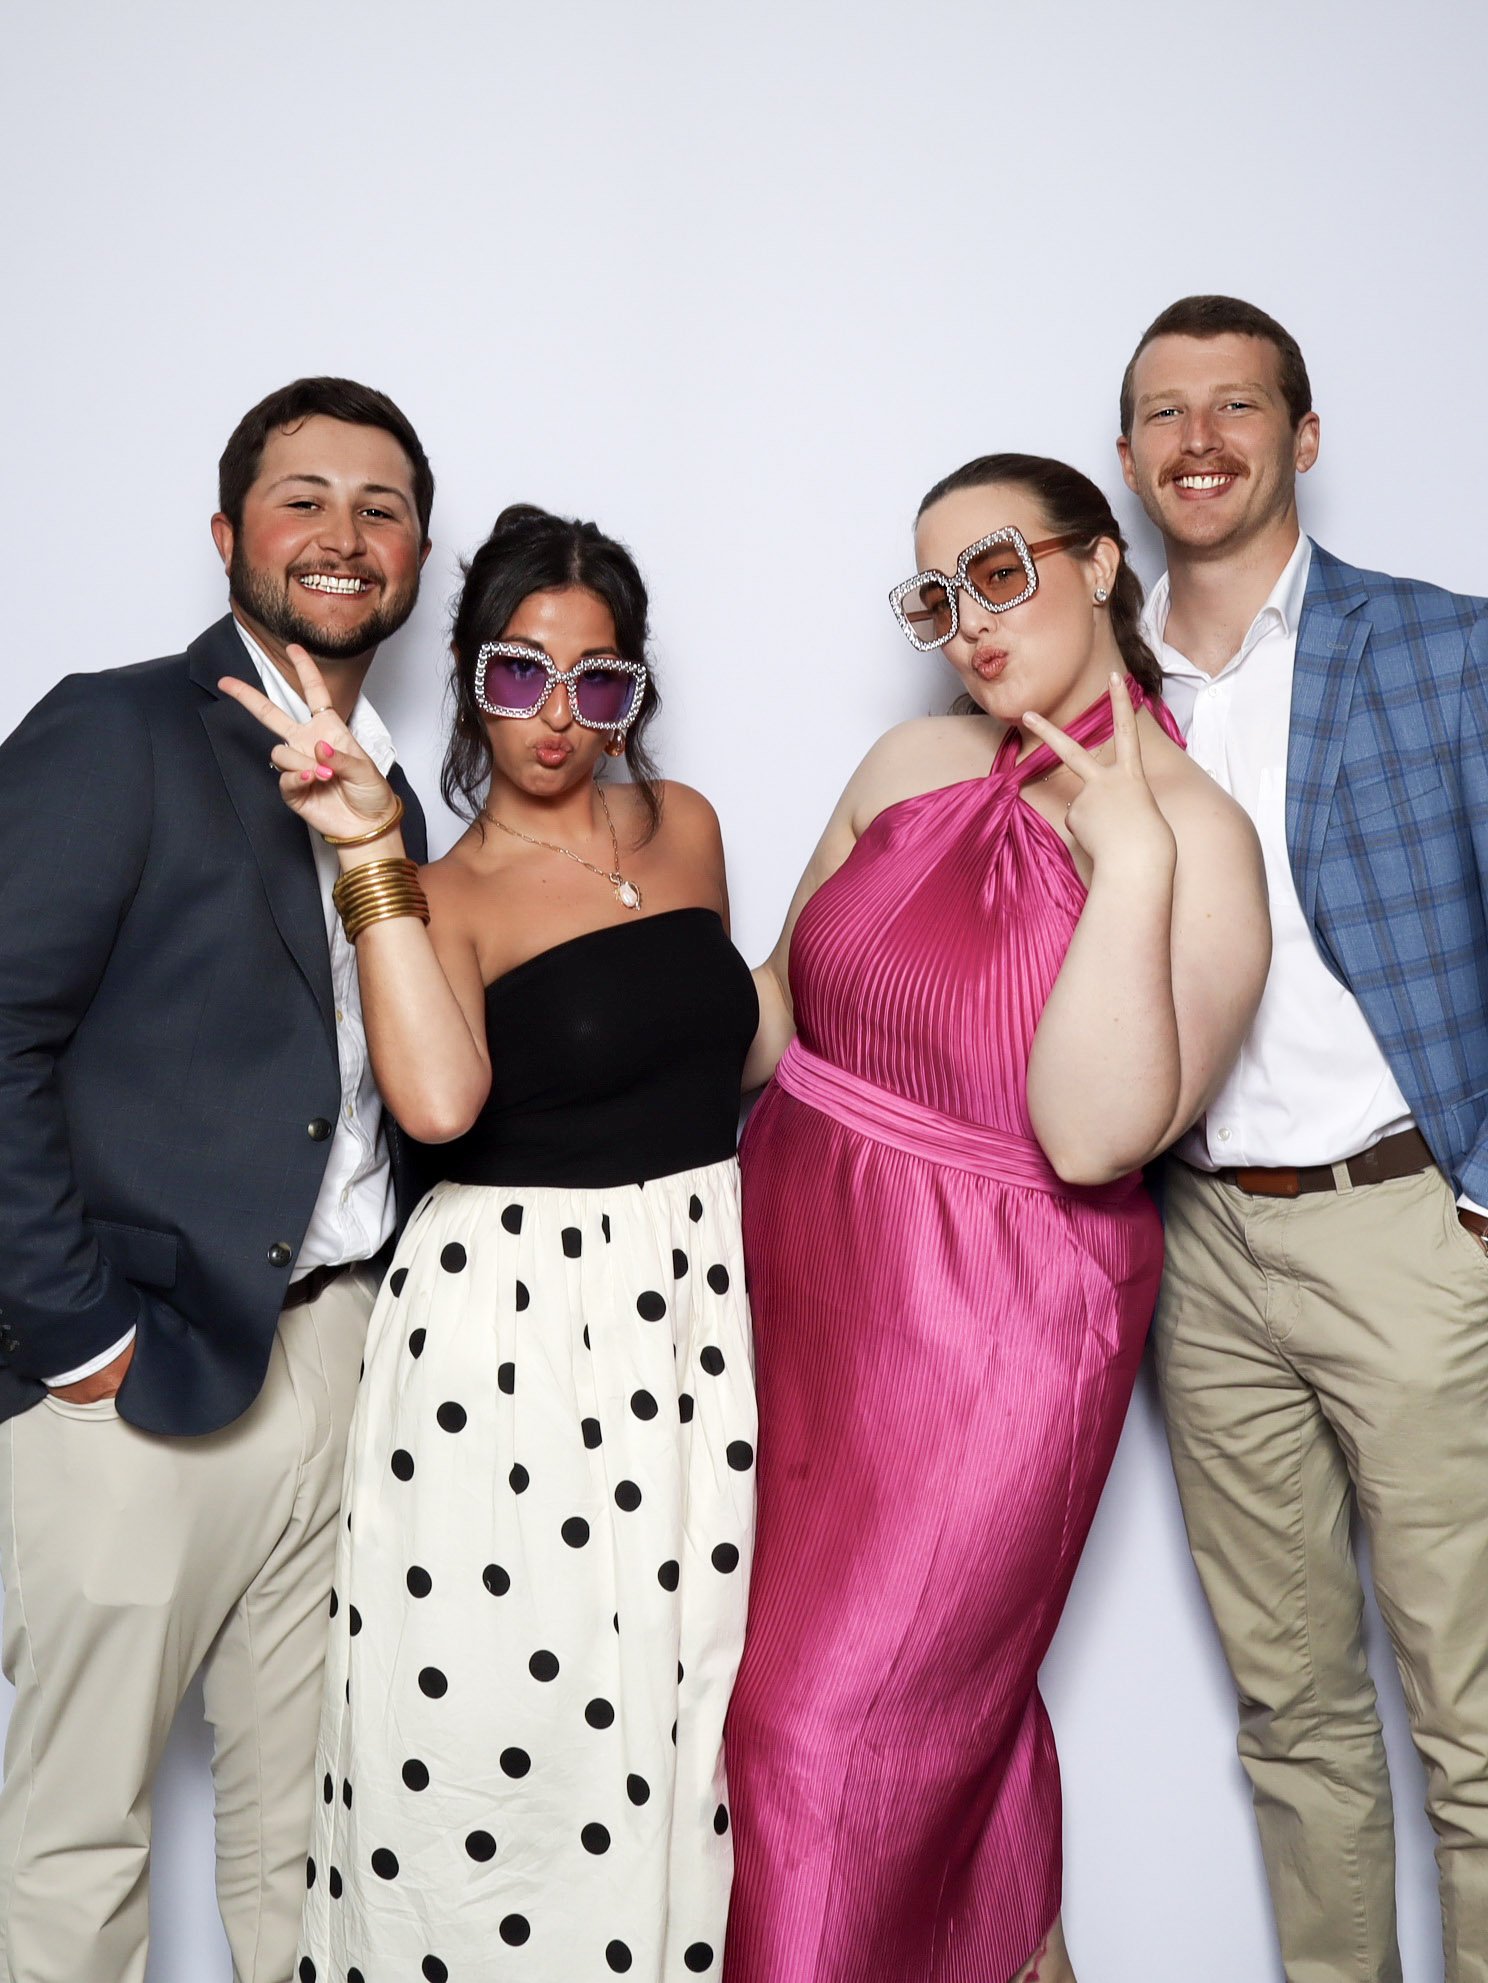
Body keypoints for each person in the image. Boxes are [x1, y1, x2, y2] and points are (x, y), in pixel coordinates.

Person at [722, 454, 1270, 1983]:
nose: (968, 620)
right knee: (804, 1707)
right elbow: (775, 1012)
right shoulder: (908, 764)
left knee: (813, 1738)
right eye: (936, 595)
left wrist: (1130, 858)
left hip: (995, 1330)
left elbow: (1094, 1136)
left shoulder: (1199, 837)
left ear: (1099, 564)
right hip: (790, 1282)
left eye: (1001, 574)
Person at [223, 504, 758, 1983]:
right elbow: (440, 1104)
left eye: (598, 680)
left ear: (633, 692)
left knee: (675, 1705)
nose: (557, 714)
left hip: (690, 1312)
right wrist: (368, 855)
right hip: (514, 1339)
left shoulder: (690, 827)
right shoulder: (441, 891)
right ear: (471, 680)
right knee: (512, 1727)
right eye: (521, 673)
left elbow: (725, 1046)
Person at [0, 376, 434, 1983]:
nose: (343, 534)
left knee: (307, 1833)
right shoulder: (118, 729)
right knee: (79, 1835)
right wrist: (77, 1339)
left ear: (419, 553)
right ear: (227, 534)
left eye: (382, 507)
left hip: (343, 1353)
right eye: (302, 498)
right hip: (134, 1372)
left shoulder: (398, 791)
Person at [1118, 293, 1488, 1983]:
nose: (1200, 439)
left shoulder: (1443, 647)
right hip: (1199, 1253)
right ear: (1130, 457)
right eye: (1165, 412)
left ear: (1303, 437)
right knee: (1295, 1718)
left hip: (1410, 1226)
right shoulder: (1096, 692)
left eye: (1237, 405)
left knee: (1472, 1718)